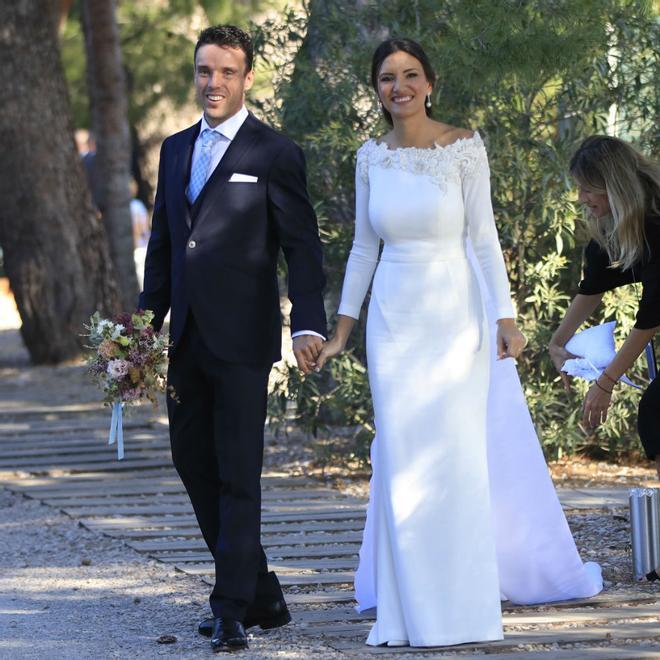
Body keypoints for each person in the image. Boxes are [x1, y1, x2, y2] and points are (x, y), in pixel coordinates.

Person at [317, 38, 601, 648]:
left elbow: (483, 238)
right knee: (401, 458)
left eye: (411, 75)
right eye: (388, 78)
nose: (400, 87)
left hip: (456, 319)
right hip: (393, 320)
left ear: (430, 83)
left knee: (456, 460)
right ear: (377, 89)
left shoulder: (464, 147)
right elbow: (365, 247)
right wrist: (343, 326)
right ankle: (407, 613)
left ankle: (463, 614)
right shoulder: (370, 158)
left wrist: (506, 316)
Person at [139, 25, 326, 652]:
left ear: (247, 78)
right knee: (192, 463)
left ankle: (230, 608)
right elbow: (165, 247)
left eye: (225, 72)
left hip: (244, 342)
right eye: (203, 71)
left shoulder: (274, 152)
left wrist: (307, 321)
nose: (212, 83)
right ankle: (262, 589)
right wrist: (145, 328)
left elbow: (302, 246)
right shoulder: (173, 150)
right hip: (187, 340)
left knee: (239, 473)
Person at [550, 138, 660, 477]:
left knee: (656, 412)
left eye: (587, 190)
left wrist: (606, 383)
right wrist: (556, 342)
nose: (581, 198)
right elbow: (593, 285)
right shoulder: (618, 226)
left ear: (613, 186)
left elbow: (650, 318)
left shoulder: (655, 224)